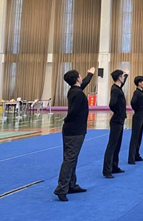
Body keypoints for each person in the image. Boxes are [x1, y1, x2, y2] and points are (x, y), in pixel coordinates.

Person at [54, 67, 95, 201]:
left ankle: (71, 184)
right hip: (75, 130)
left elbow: (83, 84)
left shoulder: (74, 90)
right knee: (70, 159)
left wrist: (90, 74)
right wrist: (67, 119)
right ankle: (61, 188)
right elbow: (73, 111)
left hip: (73, 129)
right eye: (80, 75)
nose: (82, 77)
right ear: (77, 79)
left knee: (72, 158)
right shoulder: (78, 94)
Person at [103, 69, 128, 178]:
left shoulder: (118, 88)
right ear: (119, 78)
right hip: (116, 120)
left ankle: (114, 166)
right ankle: (106, 170)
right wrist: (118, 112)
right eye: (122, 76)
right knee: (112, 145)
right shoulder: (115, 89)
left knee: (117, 145)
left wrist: (126, 74)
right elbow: (112, 104)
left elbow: (122, 83)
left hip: (120, 119)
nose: (124, 78)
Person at [128, 76, 143, 164]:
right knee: (135, 138)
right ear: (139, 83)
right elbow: (133, 102)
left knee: (139, 137)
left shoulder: (141, 92)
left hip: (141, 117)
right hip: (137, 117)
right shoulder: (136, 93)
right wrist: (137, 110)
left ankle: (136, 155)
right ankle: (131, 158)